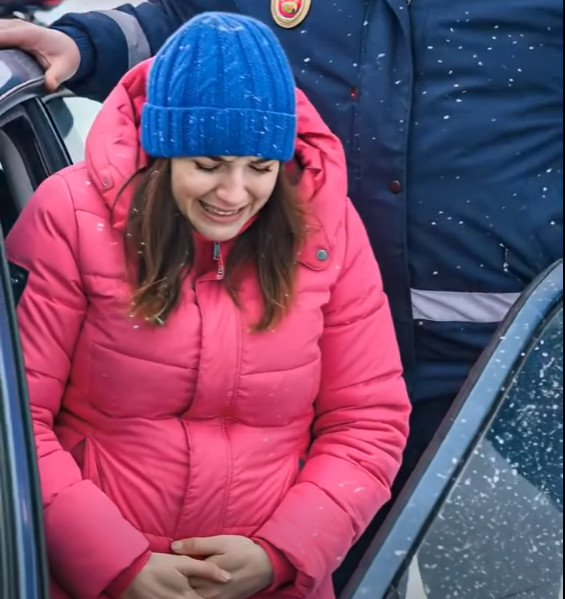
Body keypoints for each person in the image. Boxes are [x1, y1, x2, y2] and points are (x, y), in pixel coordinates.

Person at [0, 0, 562, 592]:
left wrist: (282, 554)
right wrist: (117, 564)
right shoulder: (74, 221)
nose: (234, 193)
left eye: (261, 168)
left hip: (507, 362)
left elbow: (366, 424)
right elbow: (19, 422)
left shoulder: (325, 232)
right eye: (208, 164)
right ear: (162, 148)